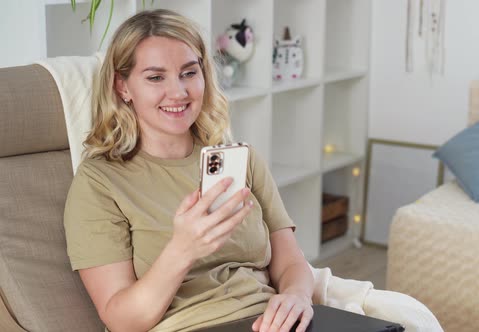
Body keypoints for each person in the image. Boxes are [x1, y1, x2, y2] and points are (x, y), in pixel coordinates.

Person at [64, 9, 314, 332]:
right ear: (123, 86)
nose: (179, 92)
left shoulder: (241, 159)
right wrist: (183, 249)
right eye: (155, 77)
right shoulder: (99, 183)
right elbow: (121, 319)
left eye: (189, 73)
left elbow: (292, 261)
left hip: (272, 322)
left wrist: (296, 295)